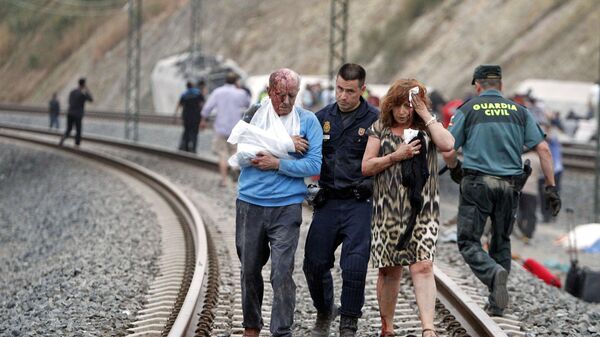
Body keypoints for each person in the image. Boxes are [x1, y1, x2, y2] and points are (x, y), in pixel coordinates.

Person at [442, 64, 561, 317]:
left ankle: (493, 273)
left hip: (477, 184)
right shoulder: (520, 112)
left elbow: (448, 148)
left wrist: (454, 169)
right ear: (501, 85)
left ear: (477, 85)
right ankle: (497, 303)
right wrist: (551, 188)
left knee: (468, 241)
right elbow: (544, 150)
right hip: (509, 186)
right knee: (501, 240)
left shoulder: (468, 109)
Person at [361, 79, 454, 337]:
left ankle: (428, 329)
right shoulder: (380, 128)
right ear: (389, 105)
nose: (403, 111)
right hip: (388, 210)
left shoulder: (428, 127)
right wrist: (395, 156)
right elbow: (366, 167)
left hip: (423, 209)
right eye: (398, 106)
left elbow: (448, 145)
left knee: (423, 266)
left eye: (408, 106)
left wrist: (425, 113)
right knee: (390, 269)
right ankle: (387, 327)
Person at [234, 68, 322, 337]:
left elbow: (313, 163)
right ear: (269, 91)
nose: (285, 101)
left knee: (281, 272)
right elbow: (242, 155)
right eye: (280, 95)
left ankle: (281, 331)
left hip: (286, 206)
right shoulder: (254, 115)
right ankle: (252, 327)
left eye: (291, 96)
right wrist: (285, 145)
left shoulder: (307, 122)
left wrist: (276, 163)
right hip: (250, 203)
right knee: (249, 270)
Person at [302, 63, 379, 337]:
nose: (343, 96)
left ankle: (349, 323)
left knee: (355, 265)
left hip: (360, 202)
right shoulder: (321, 117)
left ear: (362, 90)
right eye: (339, 89)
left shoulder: (375, 119)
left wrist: (371, 183)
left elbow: (385, 162)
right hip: (329, 201)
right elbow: (305, 155)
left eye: (349, 91)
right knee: (313, 263)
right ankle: (324, 311)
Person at [200, 72, 250, 186]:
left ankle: (223, 180)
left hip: (220, 128)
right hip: (236, 128)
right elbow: (247, 103)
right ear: (236, 81)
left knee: (222, 153)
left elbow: (207, 108)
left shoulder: (218, 92)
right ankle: (234, 169)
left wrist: (203, 120)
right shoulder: (240, 93)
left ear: (225, 80)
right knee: (234, 151)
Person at [59, 78, 93, 146]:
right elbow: (91, 99)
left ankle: (63, 138)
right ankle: (77, 145)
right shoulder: (83, 94)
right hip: (78, 114)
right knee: (78, 130)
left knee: (69, 129)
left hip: (70, 113)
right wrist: (87, 90)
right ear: (83, 84)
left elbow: (69, 101)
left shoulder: (72, 92)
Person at [517, 149, 541, 242]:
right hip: (532, 190)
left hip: (520, 188)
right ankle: (528, 234)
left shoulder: (522, 158)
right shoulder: (538, 160)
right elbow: (543, 173)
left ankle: (520, 230)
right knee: (531, 214)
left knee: (520, 212)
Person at [175, 81, 204, 152]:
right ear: (193, 85)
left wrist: (175, 114)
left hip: (186, 116)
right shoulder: (198, 93)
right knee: (195, 132)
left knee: (186, 131)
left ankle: (185, 147)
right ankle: (193, 148)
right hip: (196, 115)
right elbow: (201, 104)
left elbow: (180, 104)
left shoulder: (184, 94)